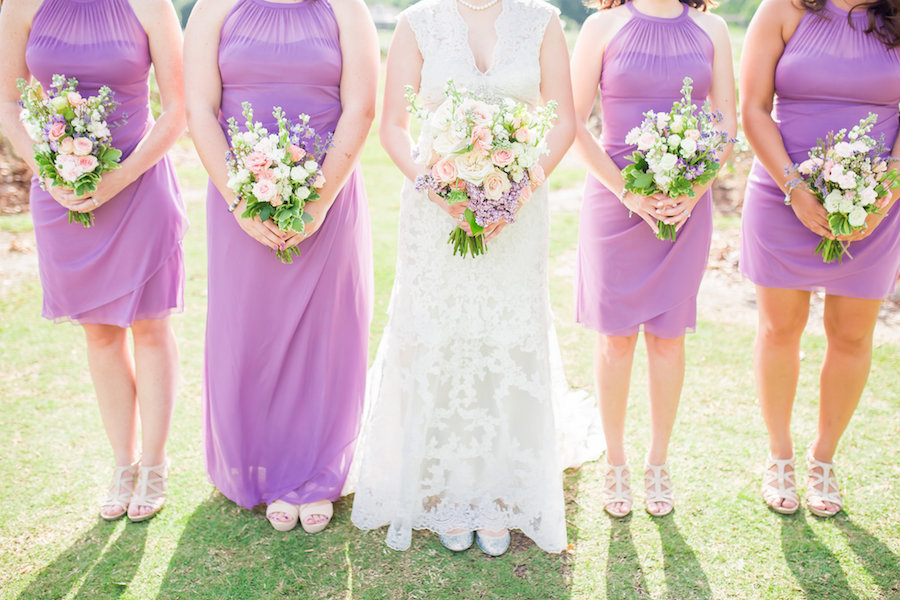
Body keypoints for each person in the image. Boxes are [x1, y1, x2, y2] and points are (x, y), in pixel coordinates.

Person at [350, 0, 603, 557]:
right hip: (437, 208)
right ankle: (445, 487)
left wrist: (522, 187)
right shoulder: (419, 22)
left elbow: (564, 119)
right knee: (442, 331)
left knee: (506, 331)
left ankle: (501, 489)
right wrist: (440, 194)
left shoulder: (540, 19)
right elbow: (392, 126)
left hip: (518, 206)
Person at [184, 0, 376, 533]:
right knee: (249, 332)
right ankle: (257, 464)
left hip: (326, 196)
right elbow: (198, 107)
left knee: (326, 332)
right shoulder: (213, 7)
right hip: (238, 198)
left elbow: (360, 107)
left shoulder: (345, 8)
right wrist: (240, 199)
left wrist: (317, 203)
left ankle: (316, 472)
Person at [0, 0, 187, 522]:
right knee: (99, 332)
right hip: (61, 191)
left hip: (139, 184)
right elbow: (9, 105)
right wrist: (49, 171)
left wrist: (117, 178)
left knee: (150, 326)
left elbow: (178, 110)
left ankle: (154, 465)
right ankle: (122, 466)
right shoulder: (20, 4)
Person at [571, 0, 735, 517]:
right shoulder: (601, 26)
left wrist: (696, 188)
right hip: (615, 201)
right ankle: (615, 463)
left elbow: (727, 120)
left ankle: (657, 463)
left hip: (685, 205)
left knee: (668, 339)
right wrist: (630, 195)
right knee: (616, 341)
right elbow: (573, 124)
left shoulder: (712, 29)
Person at [740, 0, 900, 516]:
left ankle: (823, 460)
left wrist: (882, 198)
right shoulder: (783, 9)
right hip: (783, 194)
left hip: (874, 202)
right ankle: (780, 456)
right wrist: (795, 188)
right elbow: (753, 109)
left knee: (852, 334)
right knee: (779, 329)